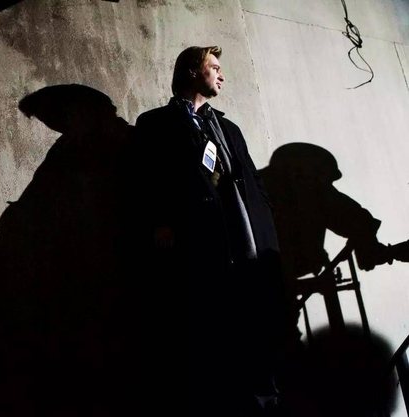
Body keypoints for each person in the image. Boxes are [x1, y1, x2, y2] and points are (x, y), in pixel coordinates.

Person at [134, 46, 285, 415]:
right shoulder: (155, 123)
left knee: (255, 318)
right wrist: (160, 223)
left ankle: (265, 397)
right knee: (212, 325)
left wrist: (265, 218)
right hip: (201, 242)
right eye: (214, 67)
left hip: (247, 237)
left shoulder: (228, 127)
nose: (222, 75)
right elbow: (146, 180)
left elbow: (252, 179)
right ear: (191, 72)